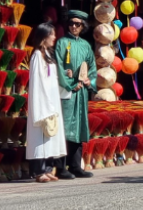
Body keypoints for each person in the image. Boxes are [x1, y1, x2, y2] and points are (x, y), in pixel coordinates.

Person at [54, 10, 96, 179]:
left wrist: (89, 81)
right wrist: (71, 84)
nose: (74, 26)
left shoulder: (86, 45)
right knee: (64, 128)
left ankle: (76, 166)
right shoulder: (61, 42)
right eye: (71, 23)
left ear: (83, 26)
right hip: (67, 92)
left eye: (77, 24)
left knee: (79, 128)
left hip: (81, 93)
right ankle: (60, 167)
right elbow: (58, 66)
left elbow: (92, 67)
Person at [26, 23, 66, 183]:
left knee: (51, 135)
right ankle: (39, 171)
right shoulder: (37, 55)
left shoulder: (48, 54)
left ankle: (48, 168)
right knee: (40, 137)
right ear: (44, 36)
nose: (54, 37)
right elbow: (37, 83)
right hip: (43, 102)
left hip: (52, 100)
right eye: (52, 34)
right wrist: (44, 105)